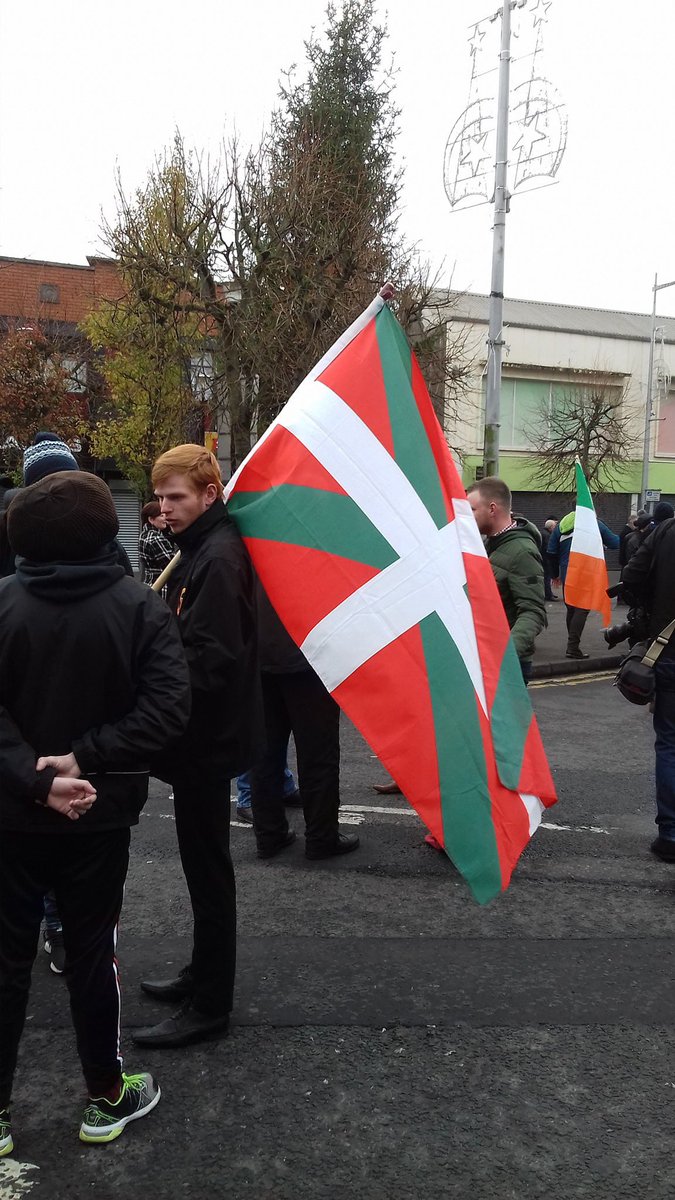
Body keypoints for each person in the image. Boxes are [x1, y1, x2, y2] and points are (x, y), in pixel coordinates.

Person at [0, 471, 190, 1154]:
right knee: (90, 951)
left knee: (6, 958)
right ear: (108, 529)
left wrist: (34, 775)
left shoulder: (3, 604)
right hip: (100, 812)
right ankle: (105, 1094)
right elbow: (168, 709)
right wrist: (82, 760)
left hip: (12, 813)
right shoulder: (140, 608)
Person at [134, 444, 263, 1050]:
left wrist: (145, 675)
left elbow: (209, 662)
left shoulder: (218, 558)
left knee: (209, 872)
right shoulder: (200, 551)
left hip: (207, 743)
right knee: (200, 866)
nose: (164, 509)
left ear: (210, 494)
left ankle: (211, 1002)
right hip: (201, 741)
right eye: (160, 498)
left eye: (176, 497)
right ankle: (200, 974)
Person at [249, 588, 359, 861]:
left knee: (264, 754)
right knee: (318, 754)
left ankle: (269, 836)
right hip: (310, 654)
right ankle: (322, 838)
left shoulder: (251, 544)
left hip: (260, 651)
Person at [622, 513, 675, 861]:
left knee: (670, 742)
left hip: (670, 648)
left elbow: (631, 577)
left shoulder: (668, 531)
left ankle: (671, 836)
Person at [466, 477, 546, 684]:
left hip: (506, 665)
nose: (467, 516)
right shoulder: (489, 544)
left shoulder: (522, 552)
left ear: (492, 509)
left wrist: (504, 655)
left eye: (472, 509)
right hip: (482, 659)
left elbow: (533, 612)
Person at [547, 510, 619, 659]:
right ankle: (572, 647)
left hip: (568, 572)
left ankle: (572, 644)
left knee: (572, 609)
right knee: (582, 609)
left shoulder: (562, 525)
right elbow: (614, 543)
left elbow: (551, 552)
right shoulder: (595, 524)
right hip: (586, 572)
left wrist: (555, 574)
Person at [138, 500, 175, 588]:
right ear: (151, 519)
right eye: (162, 515)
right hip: (161, 587)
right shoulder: (155, 538)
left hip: (149, 583)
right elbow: (171, 566)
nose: (165, 518)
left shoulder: (144, 535)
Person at [541, 518, 559, 601]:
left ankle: (549, 594)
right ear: (551, 527)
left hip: (543, 558)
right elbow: (548, 548)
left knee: (546, 578)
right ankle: (548, 595)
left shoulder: (543, 533)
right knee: (547, 578)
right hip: (546, 560)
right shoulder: (548, 535)